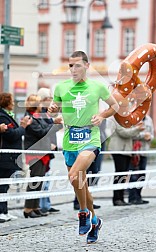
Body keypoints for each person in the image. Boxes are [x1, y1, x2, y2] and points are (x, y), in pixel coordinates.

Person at [48, 51, 118, 244]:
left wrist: (102, 115)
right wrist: (52, 108)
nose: (73, 69)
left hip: (90, 138)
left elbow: (115, 106)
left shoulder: (97, 87)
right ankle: (95, 220)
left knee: (74, 175)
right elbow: (54, 106)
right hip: (70, 138)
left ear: (87, 66)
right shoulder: (61, 87)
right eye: (70, 65)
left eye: (77, 65)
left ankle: (82, 212)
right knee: (80, 183)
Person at [23, 94, 58, 218]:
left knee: (40, 180)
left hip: (42, 152)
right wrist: (55, 124)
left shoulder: (39, 116)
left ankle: (35, 206)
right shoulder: (29, 117)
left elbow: (45, 128)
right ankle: (28, 208)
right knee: (34, 181)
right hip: (35, 153)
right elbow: (42, 132)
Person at [0, 92, 31, 222]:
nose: (13, 103)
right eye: (11, 101)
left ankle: (5, 211)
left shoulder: (7, 116)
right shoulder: (2, 116)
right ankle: (1, 212)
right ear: (6, 102)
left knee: (6, 185)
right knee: (2, 185)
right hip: (5, 158)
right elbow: (12, 135)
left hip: (11, 158)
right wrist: (23, 126)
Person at [37, 87, 63, 213]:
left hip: (49, 149)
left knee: (46, 178)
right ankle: (42, 205)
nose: (51, 101)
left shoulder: (47, 112)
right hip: (42, 150)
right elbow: (44, 130)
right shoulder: (39, 113)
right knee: (41, 179)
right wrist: (54, 124)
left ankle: (46, 204)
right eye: (49, 98)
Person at [108, 118, 145, 206]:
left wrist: (137, 129)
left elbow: (131, 134)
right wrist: (137, 129)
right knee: (119, 174)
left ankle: (121, 198)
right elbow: (124, 133)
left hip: (126, 150)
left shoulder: (126, 120)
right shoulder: (117, 119)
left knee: (124, 175)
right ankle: (117, 198)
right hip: (119, 150)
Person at [73, 119, 107, 210]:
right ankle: (78, 201)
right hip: (87, 142)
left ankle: (88, 200)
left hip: (99, 141)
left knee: (94, 172)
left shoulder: (102, 112)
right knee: (82, 173)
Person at [128, 115, 154, 204]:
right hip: (135, 152)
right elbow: (131, 134)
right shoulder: (133, 118)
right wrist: (144, 135)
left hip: (144, 151)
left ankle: (139, 196)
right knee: (134, 175)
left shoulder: (149, 119)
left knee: (142, 175)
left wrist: (150, 137)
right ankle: (132, 197)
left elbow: (152, 134)